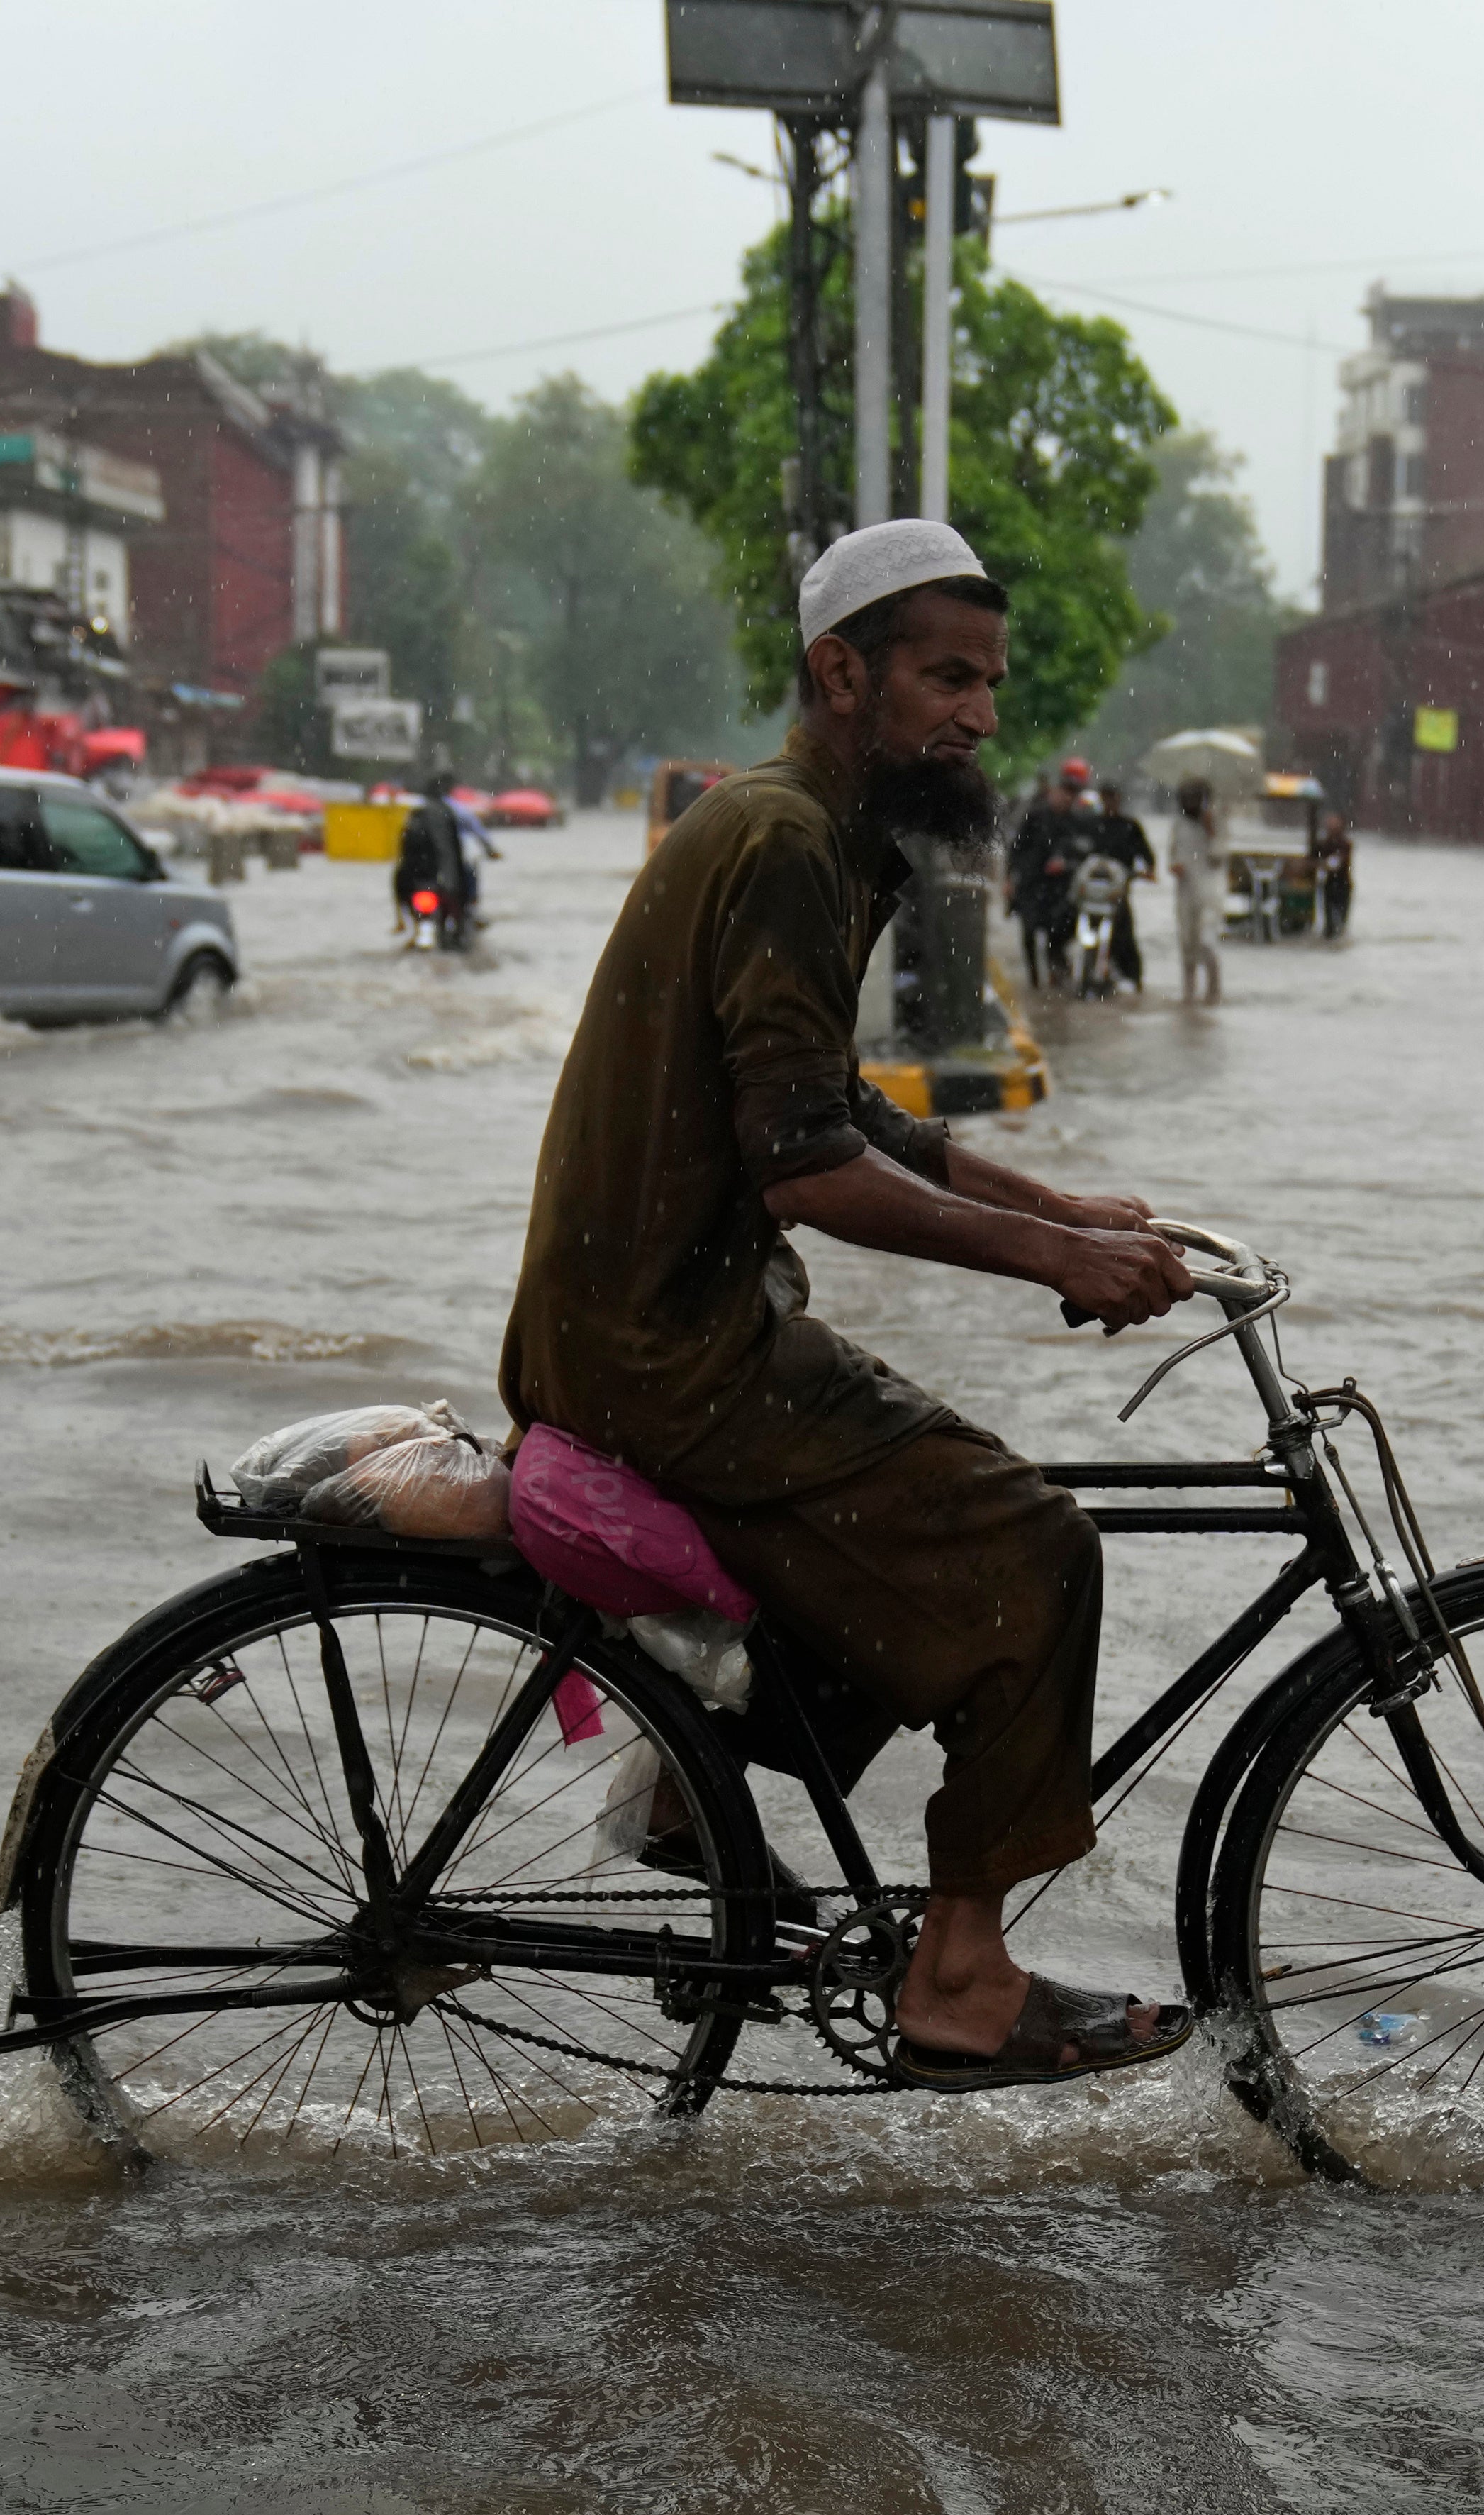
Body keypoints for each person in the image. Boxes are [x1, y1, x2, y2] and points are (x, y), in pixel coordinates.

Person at [498, 517, 1201, 2088]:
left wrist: (1048, 1199)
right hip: (673, 1353)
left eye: (989, 682)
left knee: (905, 1531)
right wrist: (1060, 1265)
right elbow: (808, 1165)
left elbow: (836, 1105)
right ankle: (958, 1975)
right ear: (842, 671)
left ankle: (697, 1801)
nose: (979, 714)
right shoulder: (789, 842)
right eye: (947, 677)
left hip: (638, 1335)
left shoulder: (796, 826)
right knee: (1031, 1546)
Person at [1003, 756, 1096, 992]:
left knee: (1061, 928)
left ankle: (1057, 968)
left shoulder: (1079, 821)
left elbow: (1087, 852)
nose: (1067, 796)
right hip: (1031, 883)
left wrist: (1067, 863)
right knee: (1029, 931)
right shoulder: (1035, 816)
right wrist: (1009, 879)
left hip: (1061, 887)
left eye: (1072, 792)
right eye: (1064, 790)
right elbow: (1016, 848)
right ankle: (1035, 980)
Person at [394, 771, 491, 944]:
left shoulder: (413, 811)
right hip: (443, 879)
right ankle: (469, 915)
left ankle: (400, 922)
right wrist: (490, 849)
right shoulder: (454, 810)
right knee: (470, 874)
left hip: (415, 878)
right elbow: (469, 836)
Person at [1088, 781, 1156, 996]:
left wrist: (1148, 870)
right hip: (1091, 890)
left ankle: (1133, 977)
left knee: (1124, 933)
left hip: (1118, 891)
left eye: (1112, 798)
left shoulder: (1130, 826)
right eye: (1105, 798)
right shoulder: (1091, 825)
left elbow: (1147, 855)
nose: (1109, 803)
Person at [1168, 777, 1224, 1004]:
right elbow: (1173, 853)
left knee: (1207, 942)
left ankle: (1214, 991)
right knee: (1187, 943)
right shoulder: (1178, 824)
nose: (1189, 802)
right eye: (1186, 798)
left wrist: (1211, 831)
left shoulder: (1216, 821)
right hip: (1185, 891)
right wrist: (1174, 865)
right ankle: (1189, 994)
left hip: (1210, 891)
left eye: (1194, 797)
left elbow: (1219, 858)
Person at [1313, 805, 1356, 939]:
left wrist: (1325, 864)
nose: (1330, 825)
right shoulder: (1324, 843)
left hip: (1343, 885)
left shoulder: (1345, 844)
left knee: (1341, 922)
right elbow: (1316, 858)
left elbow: (1337, 862)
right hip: (1329, 885)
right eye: (1329, 822)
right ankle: (1331, 937)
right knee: (1329, 923)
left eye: (1334, 822)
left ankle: (1338, 938)